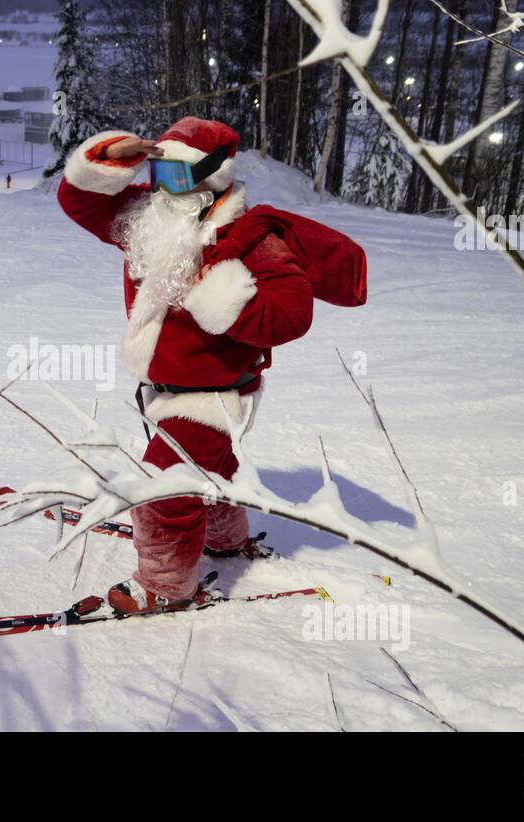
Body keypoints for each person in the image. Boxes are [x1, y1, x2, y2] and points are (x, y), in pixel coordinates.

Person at [57, 117, 366, 615]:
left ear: (213, 176)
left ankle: (167, 585)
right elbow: (81, 201)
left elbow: (291, 314)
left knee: (168, 486)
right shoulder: (148, 220)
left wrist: (218, 301)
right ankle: (223, 540)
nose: (162, 190)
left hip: (216, 394)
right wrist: (115, 157)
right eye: (158, 175)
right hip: (165, 388)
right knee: (213, 471)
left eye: (177, 178)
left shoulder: (247, 236)